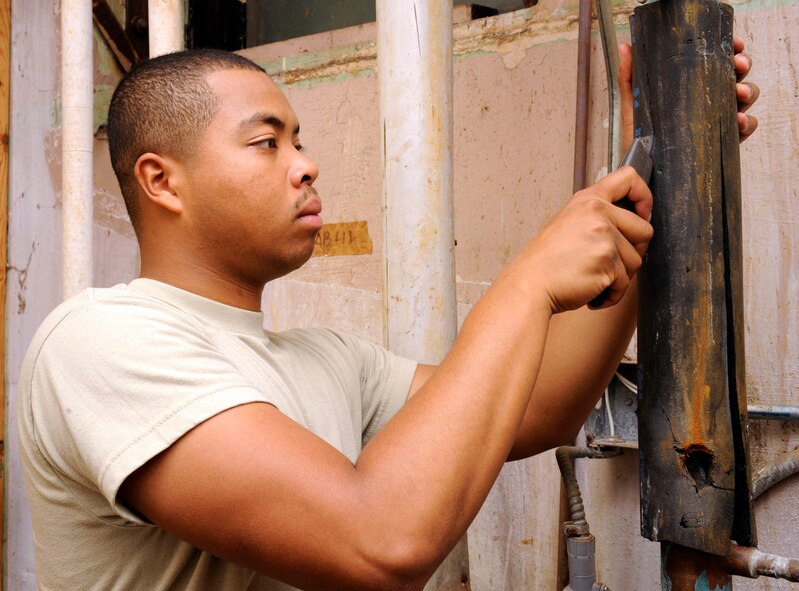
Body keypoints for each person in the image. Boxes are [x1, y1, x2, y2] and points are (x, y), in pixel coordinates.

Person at [17, 36, 758, 590]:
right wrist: (526, 282)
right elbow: (380, 539)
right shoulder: (99, 339)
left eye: (299, 141)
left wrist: (647, 176)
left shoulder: (327, 358)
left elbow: (533, 407)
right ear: (161, 181)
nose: (304, 164)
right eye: (265, 142)